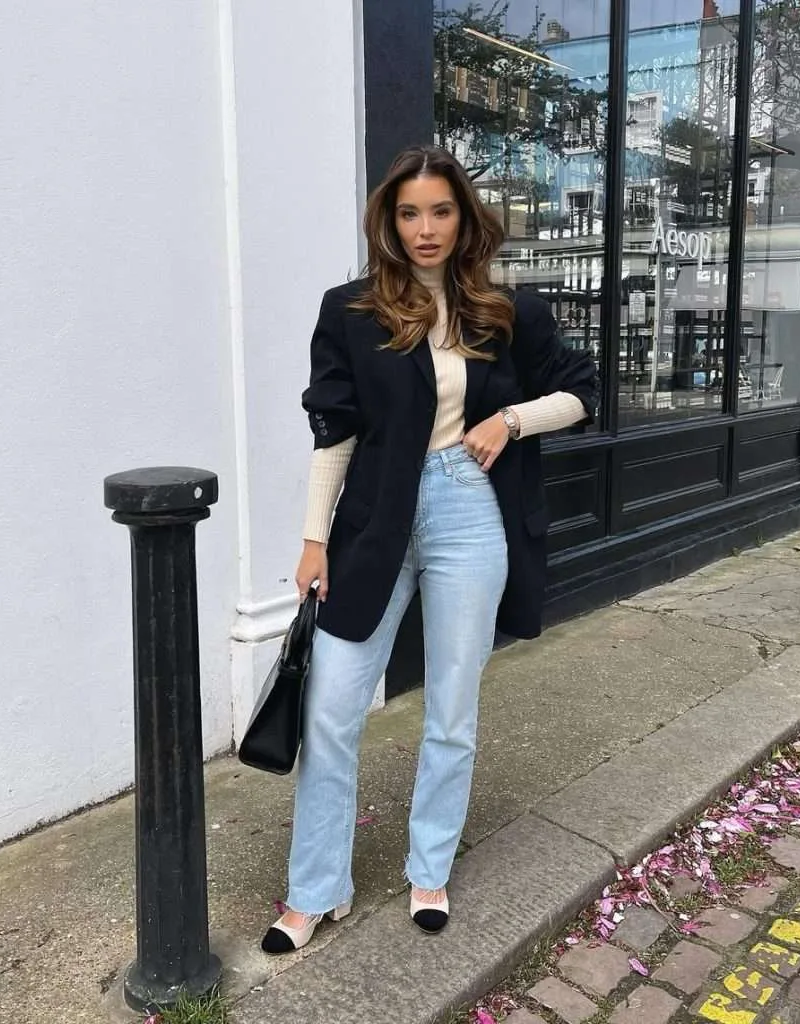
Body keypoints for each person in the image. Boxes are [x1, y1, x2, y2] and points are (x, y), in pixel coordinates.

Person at [261, 145, 598, 954]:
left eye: (440, 211)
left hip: (468, 508)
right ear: (388, 220)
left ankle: (430, 870)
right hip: (372, 517)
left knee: (452, 707)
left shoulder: (503, 312)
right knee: (331, 709)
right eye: (409, 212)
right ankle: (315, 892)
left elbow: (583, 392)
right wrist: (313, 539)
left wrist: (509, 420)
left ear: (463, 217)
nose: (425, 229)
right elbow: (335, 432)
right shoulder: (351, 311)